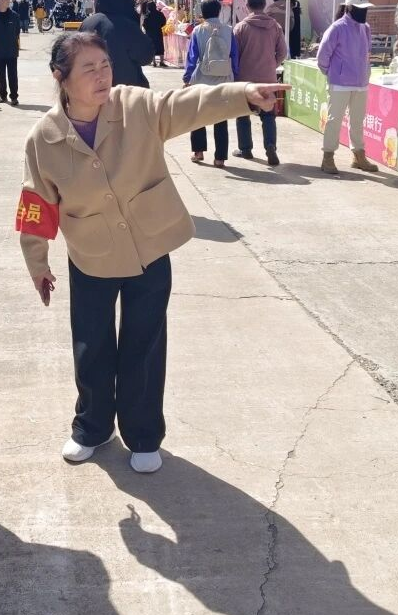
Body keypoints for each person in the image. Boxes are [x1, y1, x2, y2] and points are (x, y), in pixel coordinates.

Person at [17, 31, 284, 473]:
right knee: (91, 346)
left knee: (144, 343)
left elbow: (187, 104)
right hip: (92, 254)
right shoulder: (43, 138)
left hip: (149, 246)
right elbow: (36, 204)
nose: (102, 76)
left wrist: (243, 95)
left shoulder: (134, 106)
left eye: (105, 65)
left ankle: (143, 435)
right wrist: (37, 263)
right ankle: (92, 427)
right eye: (89, 69)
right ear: (60, 77)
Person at [316, 0, 379, 176]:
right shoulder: (337, 28)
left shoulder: (365, 28)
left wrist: (365, 73)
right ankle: (328, 156)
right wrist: (332, 73)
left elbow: (366, 53)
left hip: (360, 83)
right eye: (360, 8)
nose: (364, 12)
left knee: (357, 120)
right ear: (349, 8)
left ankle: (358, 156)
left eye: (366, 9)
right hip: (340, 83)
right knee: (334, 121)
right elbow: (323, 55)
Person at [183, 0, 240, 168]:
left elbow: (192, 57)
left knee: (198, 115)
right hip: (224, 79)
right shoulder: (228, 30)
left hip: (202, 78)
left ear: (202, 12)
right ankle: (220, 158)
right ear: (219, 11)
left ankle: (198, 152)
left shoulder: (198, 30)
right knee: (221, 118)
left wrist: (187, 77)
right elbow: (234, 55)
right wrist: (235, 76)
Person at [233, 0, 286, 167]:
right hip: (268, 78)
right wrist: (271, 64)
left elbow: (234, 55)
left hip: (245, 80)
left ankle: (245, 149)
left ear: (247, 5)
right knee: (268, 115)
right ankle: (270, 146)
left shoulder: (241, 27)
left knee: (242, 114)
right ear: (264, 4)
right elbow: (283, 52)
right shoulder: (275, 26)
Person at [80, 0, 152, 88]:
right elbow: (146, 56)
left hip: (93, 88)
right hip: (126, 90)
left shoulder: (87, 23)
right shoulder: (127, 25)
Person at [142, 1, 167, 68]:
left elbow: (144, 24)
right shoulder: (160, 14)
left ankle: (154, 62)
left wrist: (147, 29)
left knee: (152, 47)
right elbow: (164, 22)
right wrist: (159, 26)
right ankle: (161, 62)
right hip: (158, 32)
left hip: (150, 33)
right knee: (160, 46)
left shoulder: (147, 15)